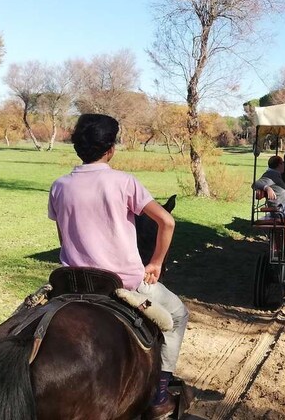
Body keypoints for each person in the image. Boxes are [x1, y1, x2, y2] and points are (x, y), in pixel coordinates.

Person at [48, 113, 189, 419]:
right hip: (122, 283)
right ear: (110, 149)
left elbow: (63, 236)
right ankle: (159, 397)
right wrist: (155, 262)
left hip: (69, 283)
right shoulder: (124, 182)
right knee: (177, 315)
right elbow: (166, 221)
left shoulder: (59, 186)